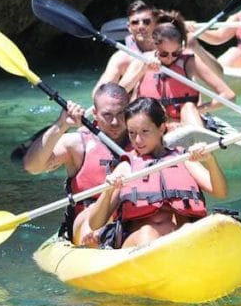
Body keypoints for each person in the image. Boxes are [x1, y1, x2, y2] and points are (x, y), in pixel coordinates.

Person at [85, 97, 227, 249]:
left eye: (145, 131)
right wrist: (108, 191)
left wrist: (210, 160)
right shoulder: (126, 167)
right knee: (147, 233)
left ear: (161, 128)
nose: (138, 140)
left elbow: (220, 192)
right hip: (140, 242)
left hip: (182, 238)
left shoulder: (183, 159)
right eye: (132, 133)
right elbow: (95, 223)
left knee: (188, 230)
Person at [22, 82, 131, 246]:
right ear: (94, 113)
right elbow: (32, 166)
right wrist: (62, 124)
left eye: (121, 114)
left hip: (128, 223)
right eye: (107, 115)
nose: (115, 122)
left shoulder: (142, 139)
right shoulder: (77, 144)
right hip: (89, 229)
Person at [119, 14, 236, 130]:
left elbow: (229, 96)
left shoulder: (190, 62)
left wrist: (198, 110)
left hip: (184, 124)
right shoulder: (142, 61)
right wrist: (142, 70)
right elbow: (118, 94)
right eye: (164, 54)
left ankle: (199, 144)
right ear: (154, 45)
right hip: (152, 127)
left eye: (175, 53)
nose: (170, 58)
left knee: (188, 107)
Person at [92, 0, 158, 98]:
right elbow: (97, 96)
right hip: (135, 109)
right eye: (135, 22)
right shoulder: (122, 58)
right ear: (129, 27)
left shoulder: (169, 51)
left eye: (146, 22)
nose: (141, 26)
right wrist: (139, 71)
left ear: (156, 24)